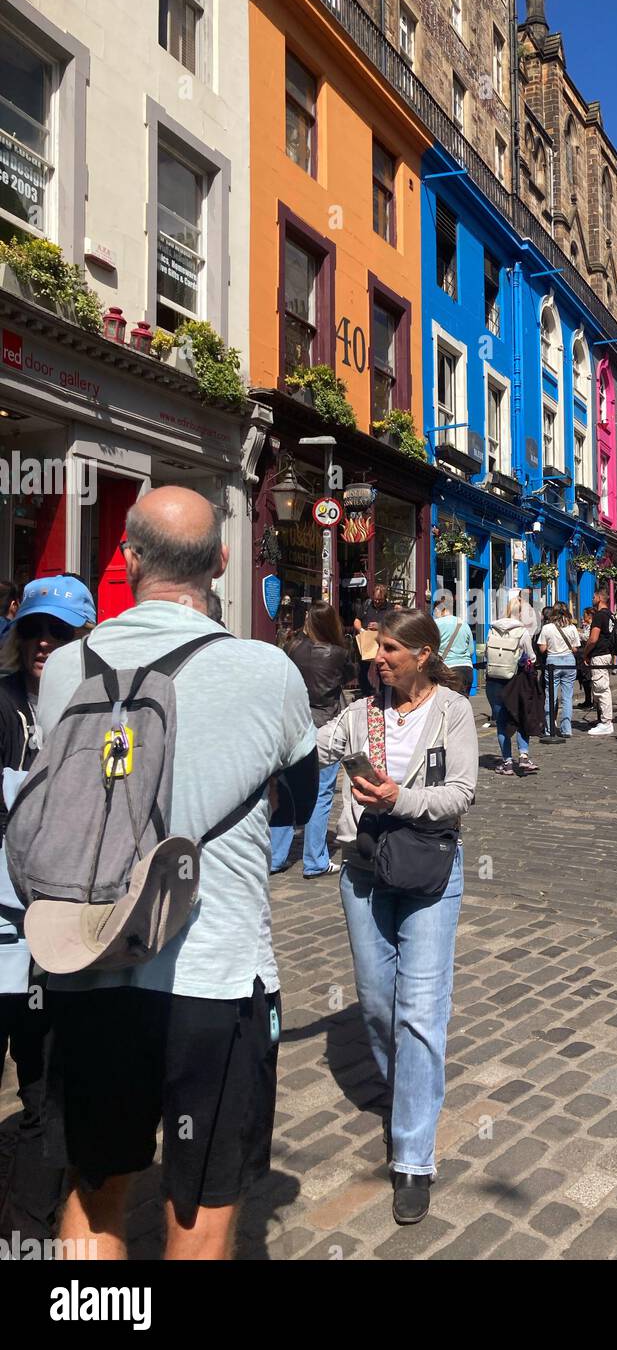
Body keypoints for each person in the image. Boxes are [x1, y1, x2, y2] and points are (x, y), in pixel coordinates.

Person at [35, 487, 318, 1260]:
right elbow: (297, 801)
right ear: (222, 562)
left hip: (87, 963)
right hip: (212, 976)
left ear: (127, 561)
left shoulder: (65, 667)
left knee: (93, 1192)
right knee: (202, 1207)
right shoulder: (266, 670)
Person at [317, 609, 477, 1226]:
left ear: (424, 654)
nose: (377, 658)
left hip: (429, 870)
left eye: (388, 649)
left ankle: (412, 1154)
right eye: (374, 648)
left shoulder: (453, 711)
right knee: (377, 1000)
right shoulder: (362, 714)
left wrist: (399, 798)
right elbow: (312, 747)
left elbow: (462, 791)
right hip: (363, 868)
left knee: (420, 1008)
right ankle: (407, 1086)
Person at [0, 576, 95, 1242]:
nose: (43, 643)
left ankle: (27, 1232)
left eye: (59, 633)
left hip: (56, 939)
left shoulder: (98, 714)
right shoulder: (1, 702)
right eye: (35, 629)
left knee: (45, 1095)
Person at [271, 600, 353, 878]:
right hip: (324, 727)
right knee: (321, 793)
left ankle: (275, 856)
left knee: (286, 792)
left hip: (292, 724)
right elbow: (351, 678)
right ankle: (315, 859)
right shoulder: (339, 654)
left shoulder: (293, 648)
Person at [485, 596, 538, 775]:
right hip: (515, 681)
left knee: (501, 722)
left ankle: (507, 762)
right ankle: (523, 756)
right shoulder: (521, 631)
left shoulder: (492, 628)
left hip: (494, 680)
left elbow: (487, 653)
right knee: (521, 716)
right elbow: (531, 656)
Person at [537, 603, 580, 737]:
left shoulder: (547, 628)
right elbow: (575, 648)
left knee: (551, 697)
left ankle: (549, 729)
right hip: (568, 661)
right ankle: (566, 729)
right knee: (567, 697)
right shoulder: (572, 628)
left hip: (553, 662)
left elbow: (542, 649)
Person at [581, 588, 615, 735]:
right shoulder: (610, 615)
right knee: (602, 687)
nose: (592, 598)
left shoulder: (600, 616)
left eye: (594, 596)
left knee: (601, 689)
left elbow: (593, 638)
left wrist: (586, 653)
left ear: (599, 598)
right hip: (606, 653)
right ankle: (603, 719)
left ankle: (607, 722)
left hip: (600, 654)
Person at [353, 583, 391, 696]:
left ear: (385, 598)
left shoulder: (390, 608)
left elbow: (394, 625)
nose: (377, 602)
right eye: (375, 599)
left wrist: (380, 626)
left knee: (381, 669)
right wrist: (361, 630)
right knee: (362, 670)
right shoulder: (367, 605)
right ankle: (366, 692)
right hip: (366, 641)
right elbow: (357, 620)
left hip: (382, 643)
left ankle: (383, 693)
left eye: (380, 599)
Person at [433, 598, 475, 697]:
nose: (434, 614)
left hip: (448, 670)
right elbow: (471, 651)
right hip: (467, 670)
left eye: (434, 611)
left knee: (447, 706)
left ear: (439, 610)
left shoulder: (437, 624)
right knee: (462, 704)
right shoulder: (463, 624)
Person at [575, 607, 594, 710]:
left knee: (588, 678)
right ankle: (588, 700)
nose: (583, 617)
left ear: (589, 615)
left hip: (588, 654)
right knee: (585, 678)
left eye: (585, 615)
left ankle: (592, 701)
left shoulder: (592, 625)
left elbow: (587, 637)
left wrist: (577, 633)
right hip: (583, 653)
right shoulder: (587, 626)